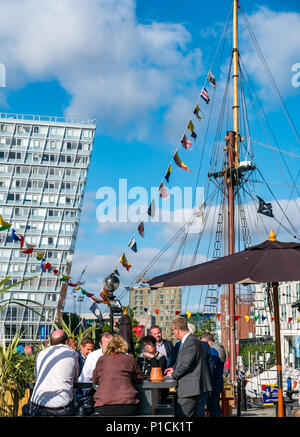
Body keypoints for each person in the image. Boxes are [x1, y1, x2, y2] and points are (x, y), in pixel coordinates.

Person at [22, 329, 79, 417]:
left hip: (37, 406)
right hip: (61, 408)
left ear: (50, 342)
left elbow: (37, 377)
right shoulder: (72, 354)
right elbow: (75, 378)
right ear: (67, 341)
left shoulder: (41, 354)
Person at [165, 317, 212, 417]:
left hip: (189, 389)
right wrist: (174, 368)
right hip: (189, 388)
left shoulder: (190, 341)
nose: (173, 332)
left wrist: (173, 374)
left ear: (177, 330)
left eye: (173, 330)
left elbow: (186, 364)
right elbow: (188, 362)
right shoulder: (189, 341)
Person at [92, 335, 144, 416]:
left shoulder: (102, 359)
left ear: (108, 346)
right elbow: (139, 378)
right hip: (127, 404)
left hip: (103, 405)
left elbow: (95, 379)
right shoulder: (129, 358)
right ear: (124, 346)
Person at [201, 332, 226, 417]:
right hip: (218, 380)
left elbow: (212, 366)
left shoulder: (213, 350)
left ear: (210, 342)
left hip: (213, 382)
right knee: (214, 406)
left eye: (204, 342)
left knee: (212, 407)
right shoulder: (219, 348)